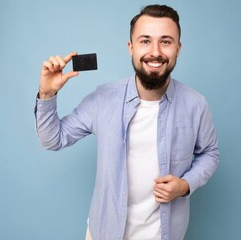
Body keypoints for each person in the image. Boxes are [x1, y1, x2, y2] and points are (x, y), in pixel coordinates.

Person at [35, 4, 219, 240]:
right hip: (104, 232)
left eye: (165, 41)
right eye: (145, 41)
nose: (155, 52)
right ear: (130, 48)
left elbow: (210, 153)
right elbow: (52, 139)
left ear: (178, 48)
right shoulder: (102, 98)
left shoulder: (196, 104)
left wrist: (185, 185)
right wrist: (47, 94)